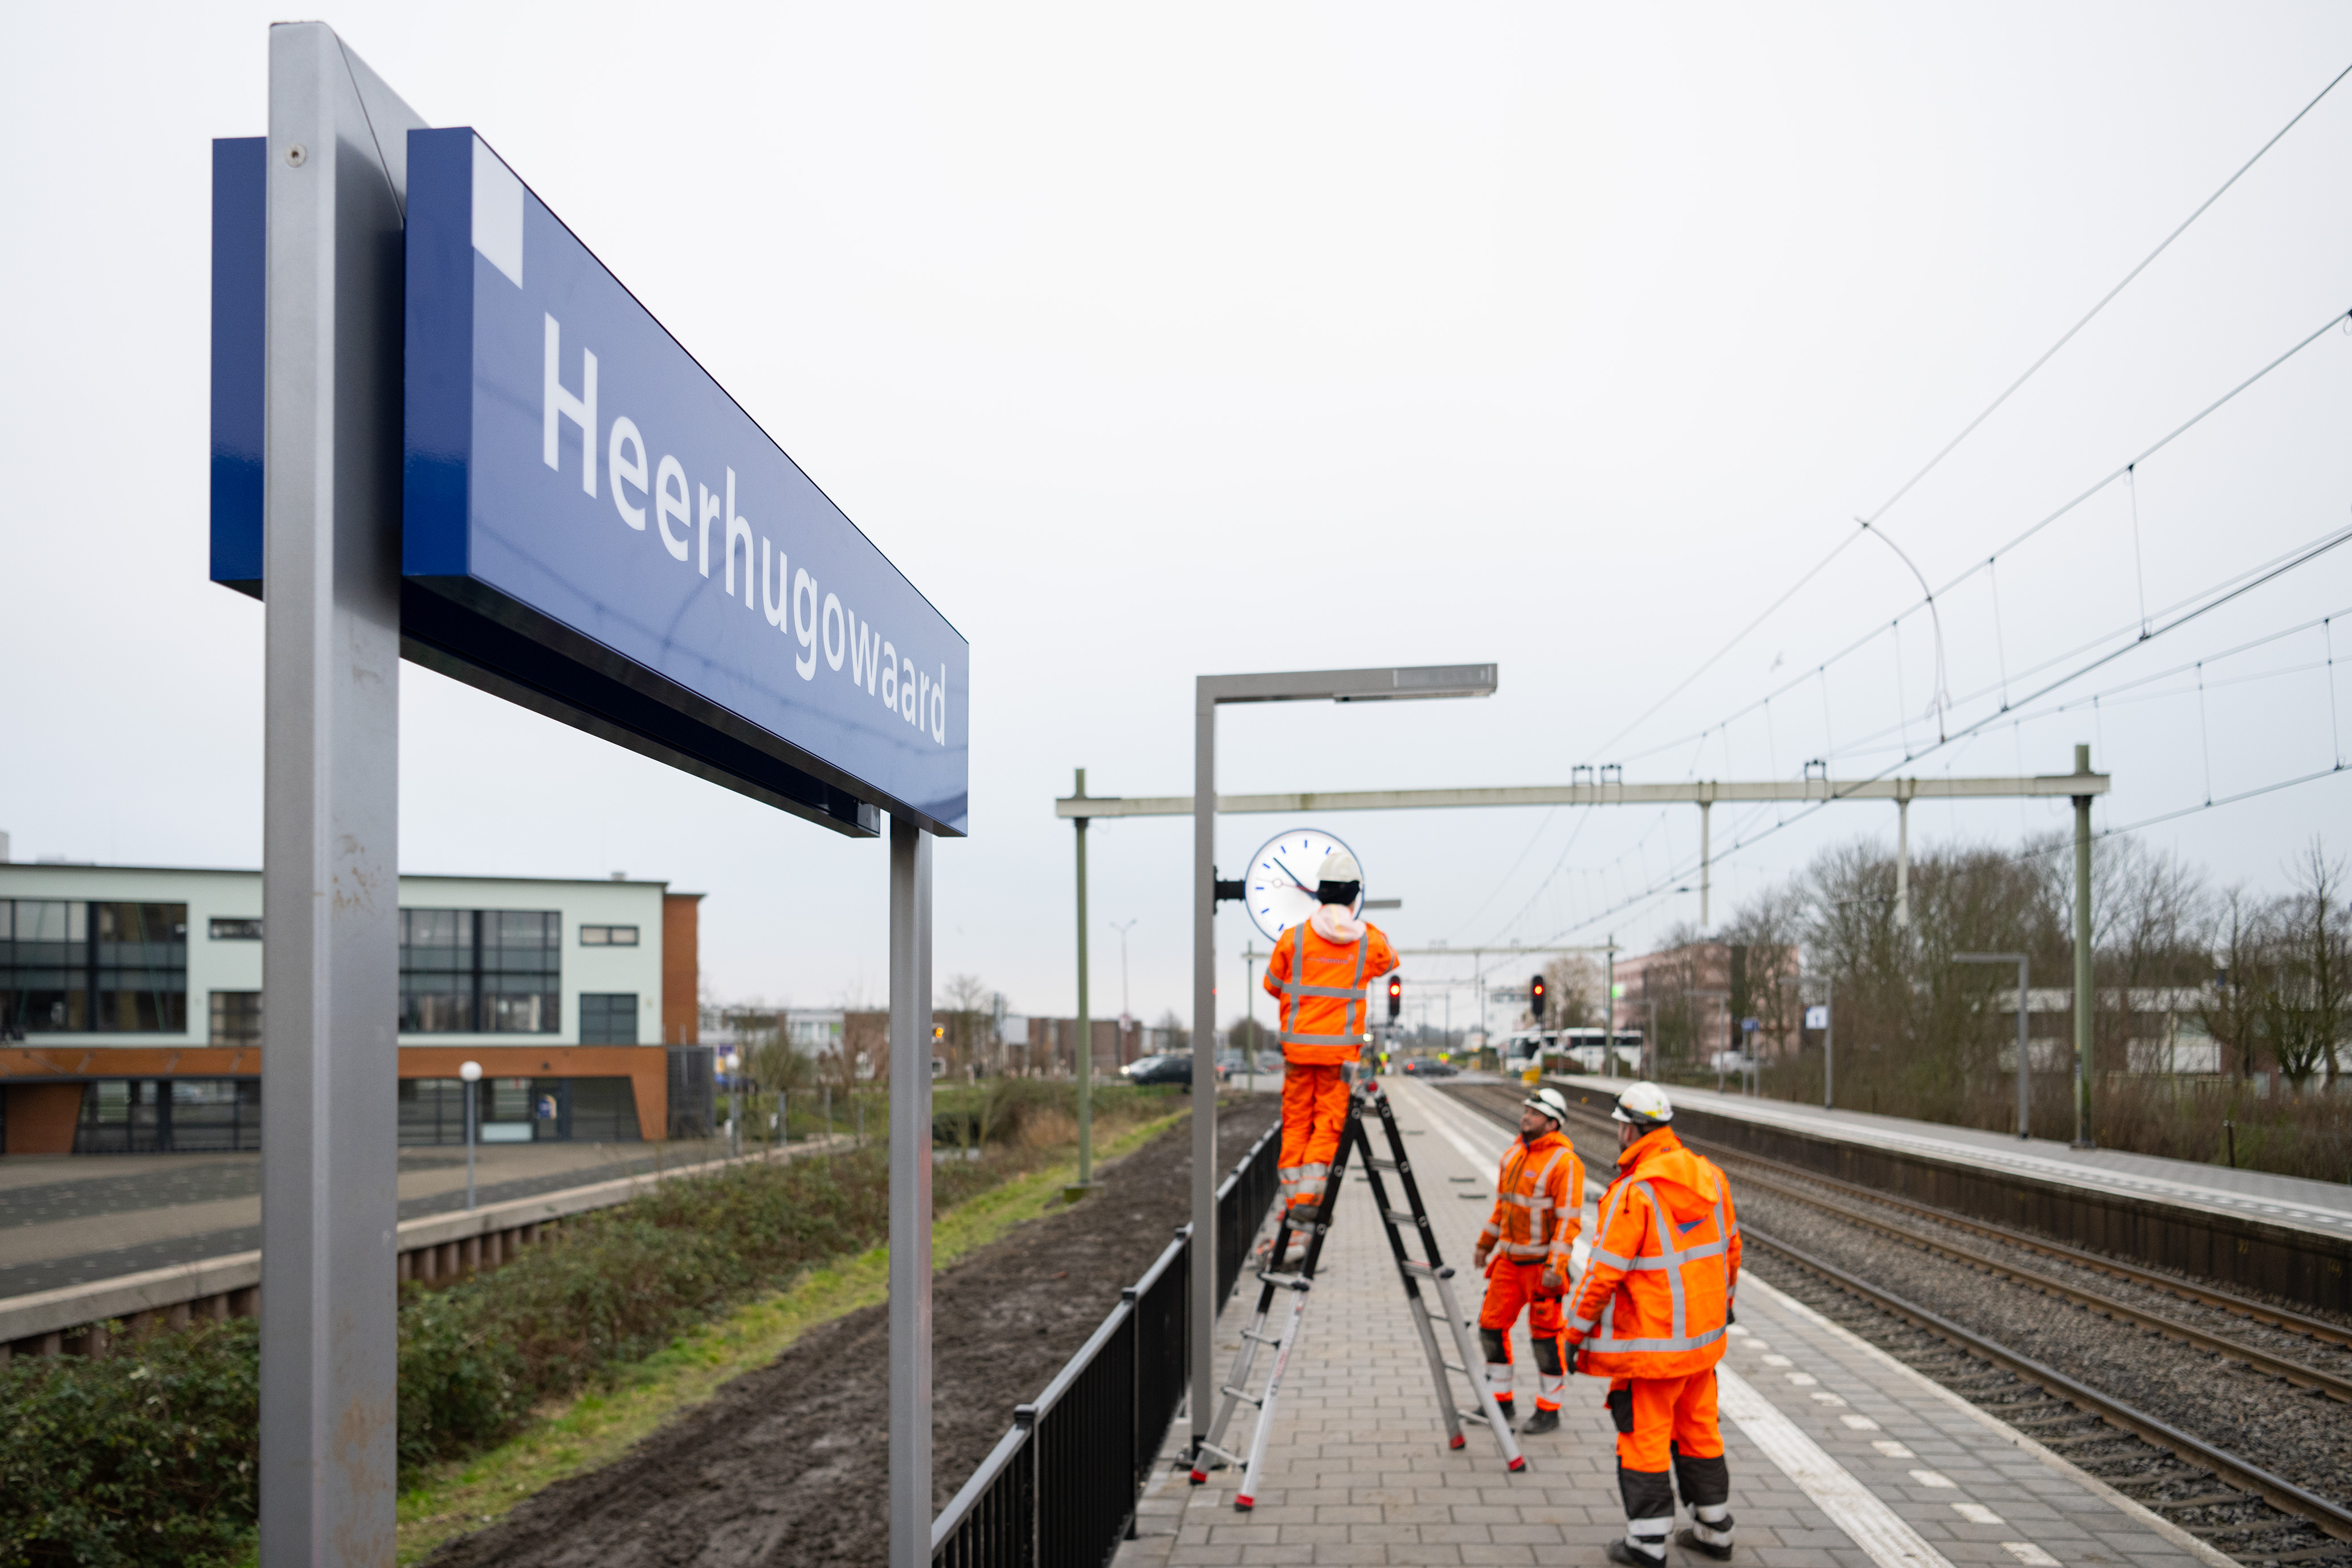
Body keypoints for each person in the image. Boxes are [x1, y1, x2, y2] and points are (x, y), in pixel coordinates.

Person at [1563, 1083, 1741, 1565]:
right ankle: (1715, 1531)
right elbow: (1730, 1252)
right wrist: (1722, 1310)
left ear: (1631, 1129)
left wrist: (1571, 1335)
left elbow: (1602, 1276)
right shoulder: (1711, 1178)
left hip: (1651, 1351)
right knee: (1701, 1432)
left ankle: (1646, 1542)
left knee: (1644, 1439)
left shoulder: (1633, 1193)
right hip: (1702, 1345)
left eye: (1621, 1124)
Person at [1262, 849, 1398, 1227]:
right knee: (1328, 1121)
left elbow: (1272, 986)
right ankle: (1308, 1199)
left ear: (1319, 894)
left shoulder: (1294, 939)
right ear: (1355, 897)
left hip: (1298, 1051)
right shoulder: (1368, 941)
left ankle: (1293, 1200)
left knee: (1296, 1121)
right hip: (1341, 1057)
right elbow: (1390, 962)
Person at [1470, 1085, 1585, 1434]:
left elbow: (1568, 1222)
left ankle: (1549, 1409)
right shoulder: (1513, 1156)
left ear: (1552, 1124)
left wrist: (1557, 1268)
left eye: (1534, 1113)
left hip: (1541, 1270)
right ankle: (1500, 1400)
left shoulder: (1565, 1163)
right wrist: (1484, 1244)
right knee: (1490, 1328)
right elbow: (1503, 1207)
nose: (1525, 1116)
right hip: (1508, 1263)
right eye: (1526, 1110)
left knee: (1546, 1340)